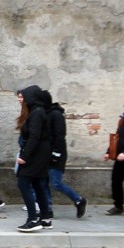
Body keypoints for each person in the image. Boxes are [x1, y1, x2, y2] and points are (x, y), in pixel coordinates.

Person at [42, 90, 87, 219]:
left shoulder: (56, 115)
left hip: (57, 155)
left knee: (55, 183)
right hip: (45, 155)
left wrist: (56, 154)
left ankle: (78, 200)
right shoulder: (44, 113)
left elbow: (60, 136)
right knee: (43, 182)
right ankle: (48, 208)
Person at [15, 86, 52, 232]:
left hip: (36, 155)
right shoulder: (37, 111)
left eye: (22, 97)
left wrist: (24, 155)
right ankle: (45, 218)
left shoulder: (36, 113)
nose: (20, 99)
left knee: (23, 183)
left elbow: (34, 136)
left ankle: (32, 219)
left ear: (30, 97)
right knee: (38, 184)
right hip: (41, 154)